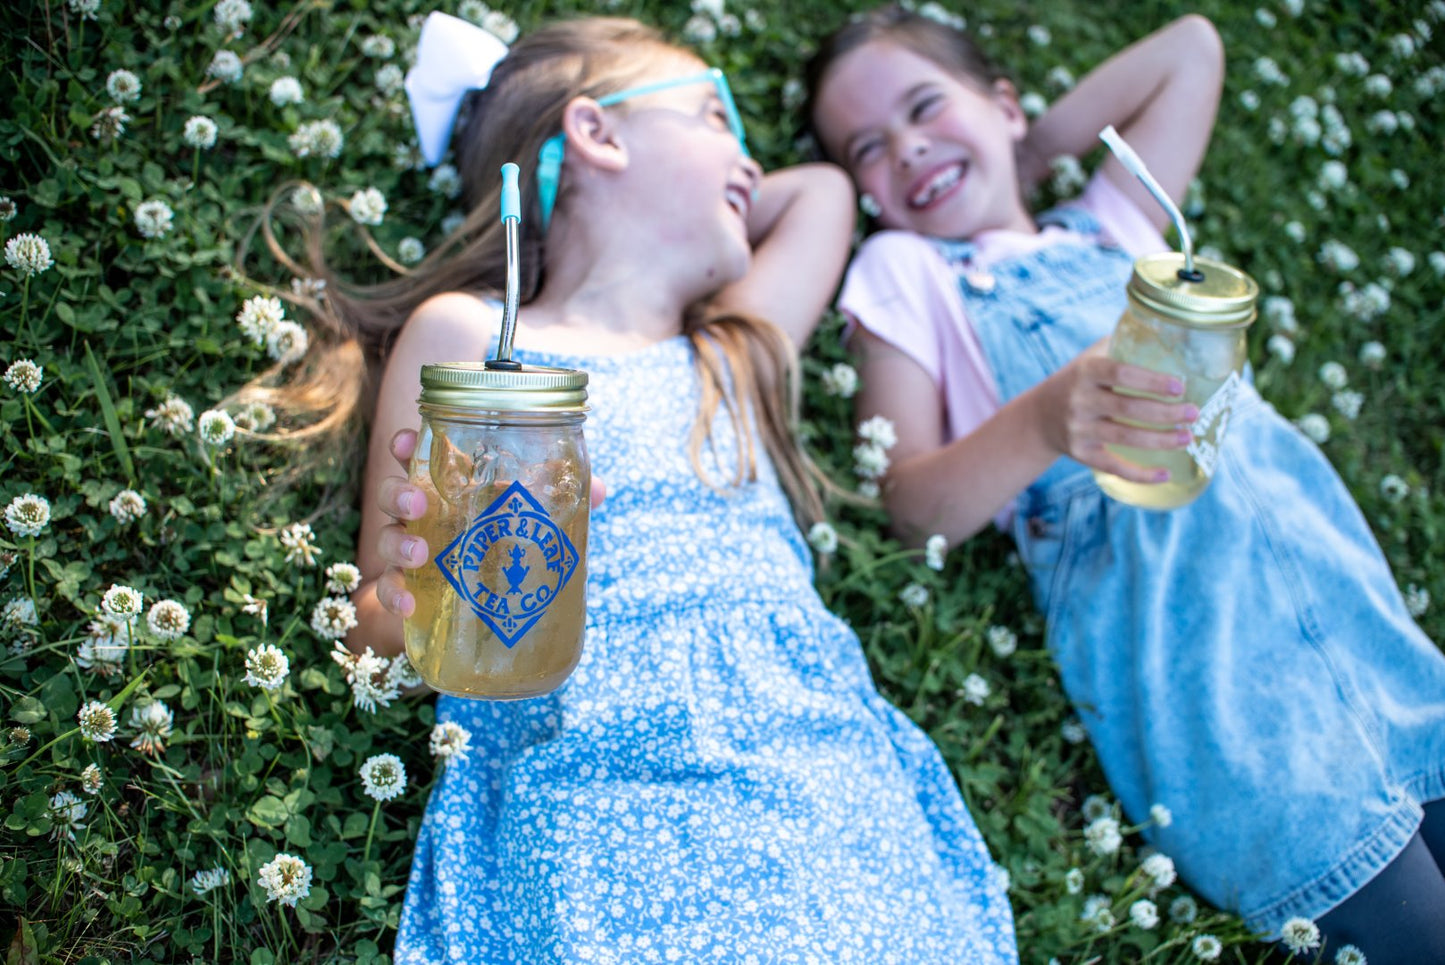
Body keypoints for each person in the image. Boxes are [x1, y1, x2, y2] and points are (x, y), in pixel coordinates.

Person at [338, 12, 1017, 962]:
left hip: (815, 767)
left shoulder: (729, 353)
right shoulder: (475, 342)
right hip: (591, 773)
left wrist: (690, 188)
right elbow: (367, 630)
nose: (746, 161)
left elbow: (822, 193)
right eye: (713, 116)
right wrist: (427, 587)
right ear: (597, 134)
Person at [805, 6, 1445, 961]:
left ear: (1005, 103)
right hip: (1216, 685)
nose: (907, 148)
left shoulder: (1110, 228)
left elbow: (1193, 46)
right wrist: (1043, 417)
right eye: (868, 147)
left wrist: (1023, 154)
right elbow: (908, 505)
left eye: (927, 107)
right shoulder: (910, 270)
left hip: (1363, 634)